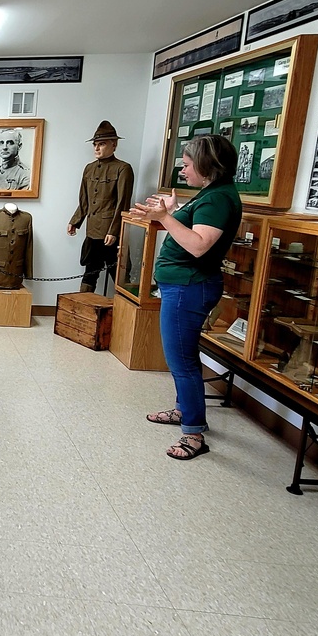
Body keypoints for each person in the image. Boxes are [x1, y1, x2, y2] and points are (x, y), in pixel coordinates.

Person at [129, 135, 241, 460]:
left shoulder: (218, 198)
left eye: (188, 163)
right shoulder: (210, 194)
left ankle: (193, 435)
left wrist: (164, 218)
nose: (183, 168)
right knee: (181, 357)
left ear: (207, 165)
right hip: (183, 286)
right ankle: (183, 409)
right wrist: (173, 211)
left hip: (190, 287)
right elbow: (193, 230)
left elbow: (198, 245)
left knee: (183, 361)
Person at [67, 120, 135, 293]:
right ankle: (83, 312)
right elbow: (84, 200)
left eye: (102, 144)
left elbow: (122, 204)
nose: (97, 148)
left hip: (110, 233)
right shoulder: (89, 169)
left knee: (120, 274)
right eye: (95, 144)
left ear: (114, 144)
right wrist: (75, 221)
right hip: (92, 231)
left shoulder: (123, 168)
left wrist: (114, 231)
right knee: (90, 272)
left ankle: (124, 313)